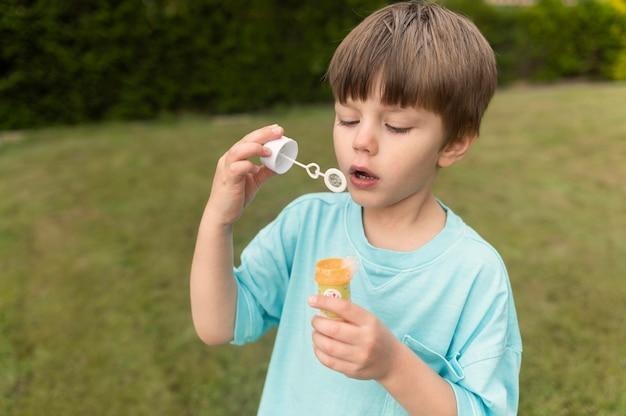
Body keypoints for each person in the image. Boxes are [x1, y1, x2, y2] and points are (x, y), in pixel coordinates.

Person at [189, 1, 522, 415]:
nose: (362, 141)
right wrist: (217, 222)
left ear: (453, 144)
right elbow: (218, 325)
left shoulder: (474, 273)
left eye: (395, 126)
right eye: (347, 118)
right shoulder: (306, 223)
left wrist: (392, 364)